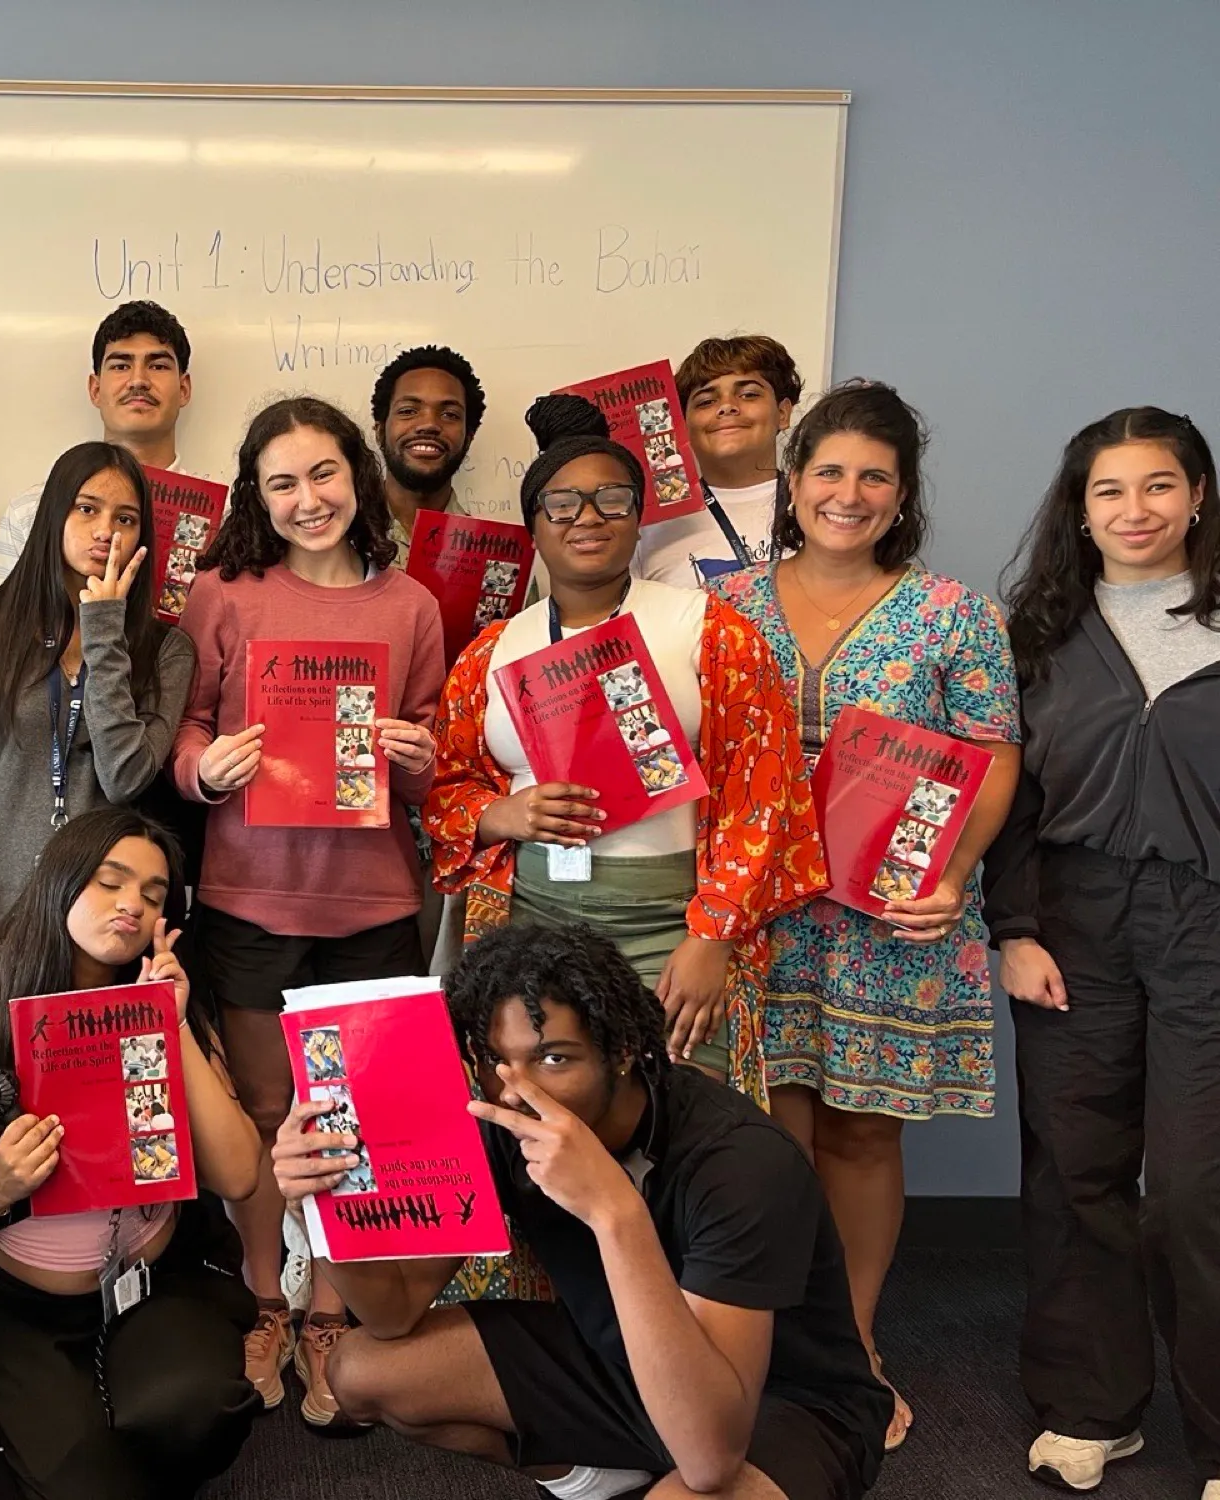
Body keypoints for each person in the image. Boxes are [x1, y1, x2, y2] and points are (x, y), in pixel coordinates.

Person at [272, 921, 891, 1500]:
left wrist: (613, 1210)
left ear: (620, 1049)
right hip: (616, 1363)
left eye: (554, 1059)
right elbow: (392, 1312)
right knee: (360, 1372)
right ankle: (604, 1479)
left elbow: (709, 1456)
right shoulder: (507, 1125)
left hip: (775, 1403)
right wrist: (320, 1207)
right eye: (494, 1061)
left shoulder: (740, 1161)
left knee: (697, 1478)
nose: (516, 1090)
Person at [713, 380, 1021, 1450]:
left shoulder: (954, 617)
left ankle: (849, 1350)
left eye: (872, 477)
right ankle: (770, 1346)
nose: (847, 493)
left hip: (888, 918)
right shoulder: (727, 606)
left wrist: (952, 874)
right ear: (790, 486)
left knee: (856, 1131)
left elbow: (990, 755)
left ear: (900, 497)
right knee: (767, 1136)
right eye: (827, 472)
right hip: (758, 912)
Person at [171, 395, 445, 1426]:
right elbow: (184, 729)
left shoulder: (409, 604)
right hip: (248, 893)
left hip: (371, 894)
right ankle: (261, 1299)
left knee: (357, 1119)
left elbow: (425, 756)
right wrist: (207, 767)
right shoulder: (222, 593)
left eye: (322, 475)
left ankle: (329, 1310)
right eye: (280, 483)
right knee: (259, 1115)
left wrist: (416, 758)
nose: (306, 499)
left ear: (356, 478)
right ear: (257, 495)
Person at [425, 393, 825, 1098]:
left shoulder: (711, 630)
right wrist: (500, 816)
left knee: (681, 1110)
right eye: (562, 503)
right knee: (539, 1115)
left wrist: (712, 938)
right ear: (534, 525)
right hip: (531, 920)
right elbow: (447, 789)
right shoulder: (491, 651)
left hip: (672, 926)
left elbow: (764, 797)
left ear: (639, 518)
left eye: (611, 499)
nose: (587, 518)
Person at [984, 407, 1220, 1497]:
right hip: (1070, 925)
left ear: (1197, 495)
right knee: (1074, 1171)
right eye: (1109, 492)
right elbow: (1006, 801)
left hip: (1204, 926)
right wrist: (1012, 929)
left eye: (1158, 486)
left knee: (1190, 1190)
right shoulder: (1029, 631)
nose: (1136, 511)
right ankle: (1092, 1407)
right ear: (1077, 512)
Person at [0, 807, 262, 1500]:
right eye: (110, 881)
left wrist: (170, 1023)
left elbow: (241, 1176)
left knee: (200, 1415)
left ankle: (111, 1426)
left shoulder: (173, 1010)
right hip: (29, 1309)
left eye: (153, 896)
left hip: (153, 1291)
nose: (132, 905)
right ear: (59, 884)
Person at [0, 442, 193, 1004]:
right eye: (86, 509)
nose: (106, 531)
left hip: (98, 937)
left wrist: (104, 628)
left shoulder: (167, 652)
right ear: (54, 515)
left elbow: (124, 776)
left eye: (125, 519)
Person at [0, 301, 198, 603]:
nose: (138, 381)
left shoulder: (221, 519)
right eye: (121, 365)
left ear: (184, 389)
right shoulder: (32, 509)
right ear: (95, 389)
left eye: (158, 366)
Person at [633, 335, 803, 589]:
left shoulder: (820, 504)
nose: (727, 407)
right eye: (706, 401)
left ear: (782, 413)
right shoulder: (646, 525)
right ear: (683, 426)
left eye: (748, 394)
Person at [370, 344, 487, 569]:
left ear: (469, 438)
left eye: (449, 414)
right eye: (408, 411)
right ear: (380, 430)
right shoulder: (338, 536)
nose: (429, 424)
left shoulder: (491, 555)